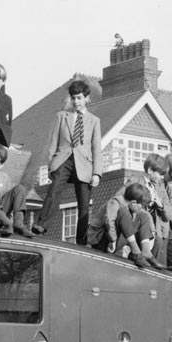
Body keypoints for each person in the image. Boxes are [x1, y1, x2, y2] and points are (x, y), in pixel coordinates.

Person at [33, 80, 102, 245]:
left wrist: (96, 173)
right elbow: (53, 143)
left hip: (84, 164)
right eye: (73, 98)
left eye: (79, 98)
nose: (76, 102)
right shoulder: (61, 116)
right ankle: (41, 225)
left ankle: (82, 239)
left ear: (87, 98)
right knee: (54, 189)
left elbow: (96, 148)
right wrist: (51, 166)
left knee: (84, 203)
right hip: (63, 159)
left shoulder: (94, 121)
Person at [87, 183, 160, 269]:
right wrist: (113, 239)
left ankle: (146, 253)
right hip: (101, 241)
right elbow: (109, 221)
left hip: (114, 241)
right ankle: (136, 252)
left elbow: (145, 217)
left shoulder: (132, 208)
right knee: (123, 212)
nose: (141, 208)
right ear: (133, 202)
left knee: (143, 216)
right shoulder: (115, 202)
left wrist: (152, 232)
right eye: (141, 206)